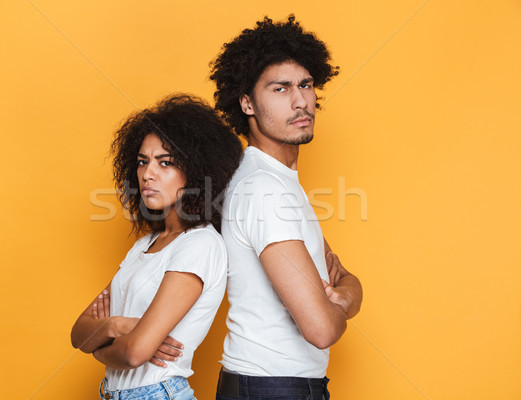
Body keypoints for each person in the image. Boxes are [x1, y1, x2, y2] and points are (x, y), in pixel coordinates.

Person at [209, 16, 363, 399]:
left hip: (271, 385)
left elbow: (341, 277)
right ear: (247, 102)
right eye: (280, 88)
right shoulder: (264, 190)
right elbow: (322, 328)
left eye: (306, 85)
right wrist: (347, 297)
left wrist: (346, 293)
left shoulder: (276, 181)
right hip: (272, 388)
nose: (300, 101)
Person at [71, 94, 242, 400]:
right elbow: (78, 334)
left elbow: (135, 352)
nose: (148, 174)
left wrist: (99, 347)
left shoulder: (201, 244)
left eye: (165, 163)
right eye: (142, 161)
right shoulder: (143, 246)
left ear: (197, 171)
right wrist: (118, 324)